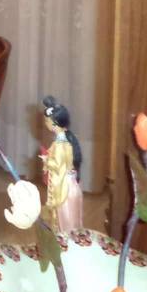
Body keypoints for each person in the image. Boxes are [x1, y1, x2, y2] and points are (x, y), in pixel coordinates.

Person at [40, 95, 83, 233]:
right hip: (69, 184)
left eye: (46, 121)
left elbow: (58, 166)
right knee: (69, 223)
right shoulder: (67, 138)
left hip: (64, 189)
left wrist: (47, 160)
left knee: (64, 224)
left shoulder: (60, 144)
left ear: (54, 124)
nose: (45, 124)